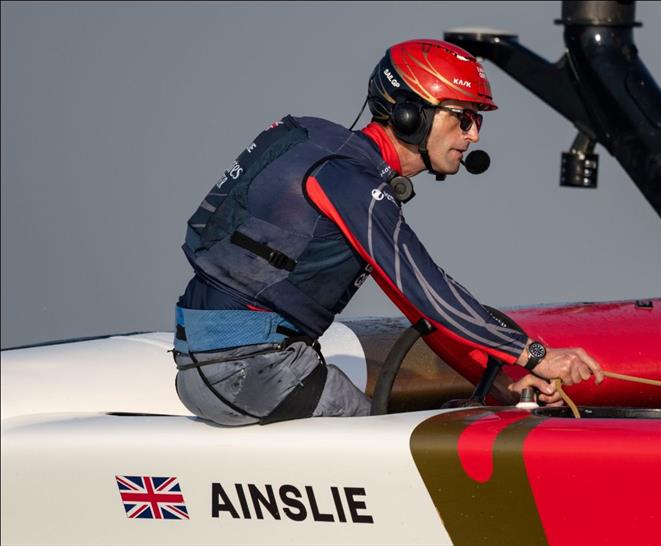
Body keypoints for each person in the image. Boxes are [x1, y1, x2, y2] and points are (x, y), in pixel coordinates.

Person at [172, 39, 604, 426]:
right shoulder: (349, 181)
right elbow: (430, 292)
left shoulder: (334, 156)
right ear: (410, 115)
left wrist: (503, 383)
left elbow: (421, 308)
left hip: (218, 368)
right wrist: (536, 355)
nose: (473, 135)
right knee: (389, 449)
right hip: (247, 371)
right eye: (463, 117)